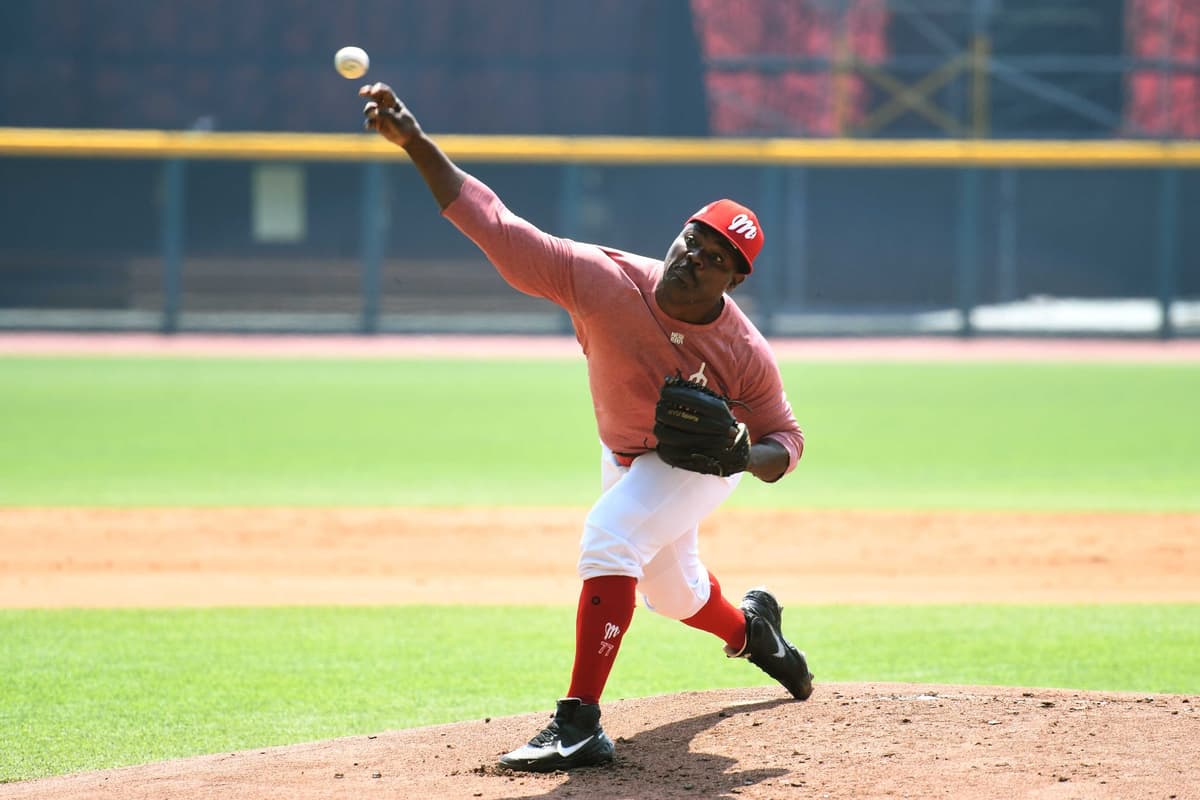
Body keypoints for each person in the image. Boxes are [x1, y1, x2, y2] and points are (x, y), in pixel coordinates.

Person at [360, 82, 813, 773]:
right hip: (626, 450)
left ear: (733, 282)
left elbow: (788, 440)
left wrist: (746, 456)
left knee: (609, 537)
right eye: (694, 240)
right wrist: (417, 144)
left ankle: (578, 724)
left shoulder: (745, 352)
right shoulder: (599, 279)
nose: (695, 257)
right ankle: (756, 634)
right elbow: (493, 221)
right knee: (672, 592)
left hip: (698, 467)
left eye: (716, 257)